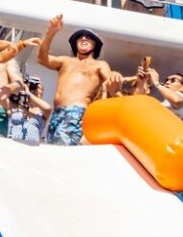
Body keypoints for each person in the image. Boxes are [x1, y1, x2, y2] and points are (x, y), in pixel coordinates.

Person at [35, 14, 122, 145]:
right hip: (56, 114)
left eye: (88, 37)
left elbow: (111, 81)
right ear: (75, 43)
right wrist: (50, 34)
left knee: (63, 154)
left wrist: (116, 75)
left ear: (95, 45)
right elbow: (42, 59)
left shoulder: (99, 64)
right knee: (53, 154)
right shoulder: (65, 61)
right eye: (80, 37)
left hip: (75, 113)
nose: (83, 38)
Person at [6, 79, 47, 144]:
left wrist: (29, 94)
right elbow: (6, 93)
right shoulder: (17, 103)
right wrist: (21, 85)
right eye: (35, 87)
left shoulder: (42, 110)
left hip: (31, 148)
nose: (36, 90)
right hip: (13, 144)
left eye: (39, 88)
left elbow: (48, 109)